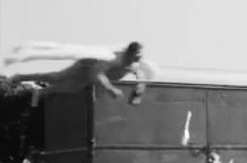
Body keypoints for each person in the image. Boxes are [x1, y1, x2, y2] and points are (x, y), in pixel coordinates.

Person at [5, 41, 156, 105]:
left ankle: (40, 94)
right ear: (129, 53)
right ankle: (20, 77)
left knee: (70, 88)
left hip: (92, 78)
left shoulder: (134, 64)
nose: (138, 58)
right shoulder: (115, 59)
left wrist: (138, 92)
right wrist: (111, 89)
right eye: (136, 55)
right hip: (86, 67)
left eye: (139, 56)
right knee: (57, 77)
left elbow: (140, 76)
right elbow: (97, 73)